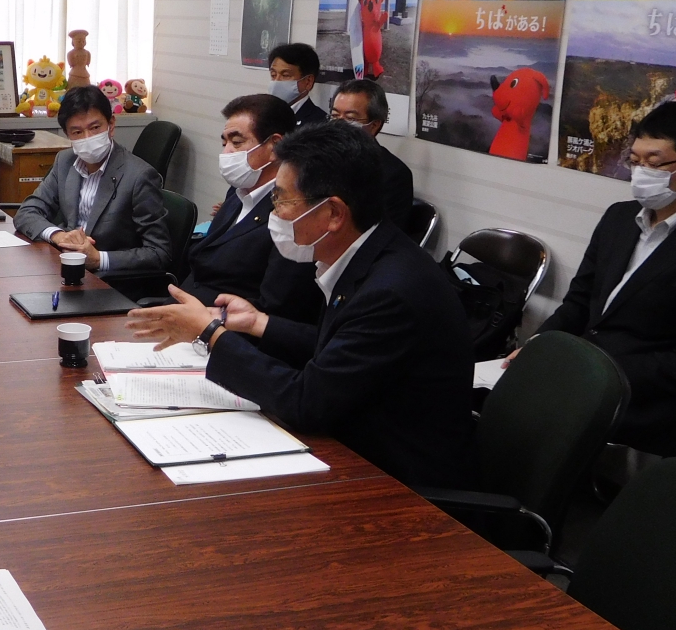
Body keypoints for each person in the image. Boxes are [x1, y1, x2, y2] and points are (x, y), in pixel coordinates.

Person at [127, 122, 475, 489]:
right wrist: (258, 323)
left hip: (398, 481)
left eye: (281, 200)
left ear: (334, 213)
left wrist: (211, 334)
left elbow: (306, 403)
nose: (274, 213)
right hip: (353, 445)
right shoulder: (369, 254)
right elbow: (337, 349)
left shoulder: (391, 290)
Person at [529, 101, 676, 457]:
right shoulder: (619, 218)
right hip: (579, 372)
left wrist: (588, 370)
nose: (640, 172)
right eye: (635, 161)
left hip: (644, 398)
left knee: (527, 434)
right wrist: (539, 345)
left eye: (654, 163)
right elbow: (579, 301)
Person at [13, 85, 172, 288]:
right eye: (77, 132)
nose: (87, 138)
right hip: (64, 271)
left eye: (95, 128)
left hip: (111, 284)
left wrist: (98, 259)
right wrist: (59, 236)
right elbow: (27, 212)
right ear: (68, 135)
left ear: (111, 125)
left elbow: (159, 253)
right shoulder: (65, 161)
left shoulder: (139, 176)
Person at [179, 93, 320, 322]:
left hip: (224, 328)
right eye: (224, 143)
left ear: (275, 145)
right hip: (184, 312)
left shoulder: (291, 213)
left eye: (236, 142)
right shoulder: (238, 194)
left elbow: (274, 307)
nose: (226, 153)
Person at [329, 78, 414, 229]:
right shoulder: (315, 159)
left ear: (374, 125)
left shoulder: (393, 175)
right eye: (335, 116)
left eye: (350, 118)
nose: (339, 124)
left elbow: (383, 233)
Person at [267, 43, 327, 126]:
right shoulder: (262, 115)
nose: (276, 81)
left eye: (285, 75)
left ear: (308, 81)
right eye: (273, 75)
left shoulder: (320, 124)